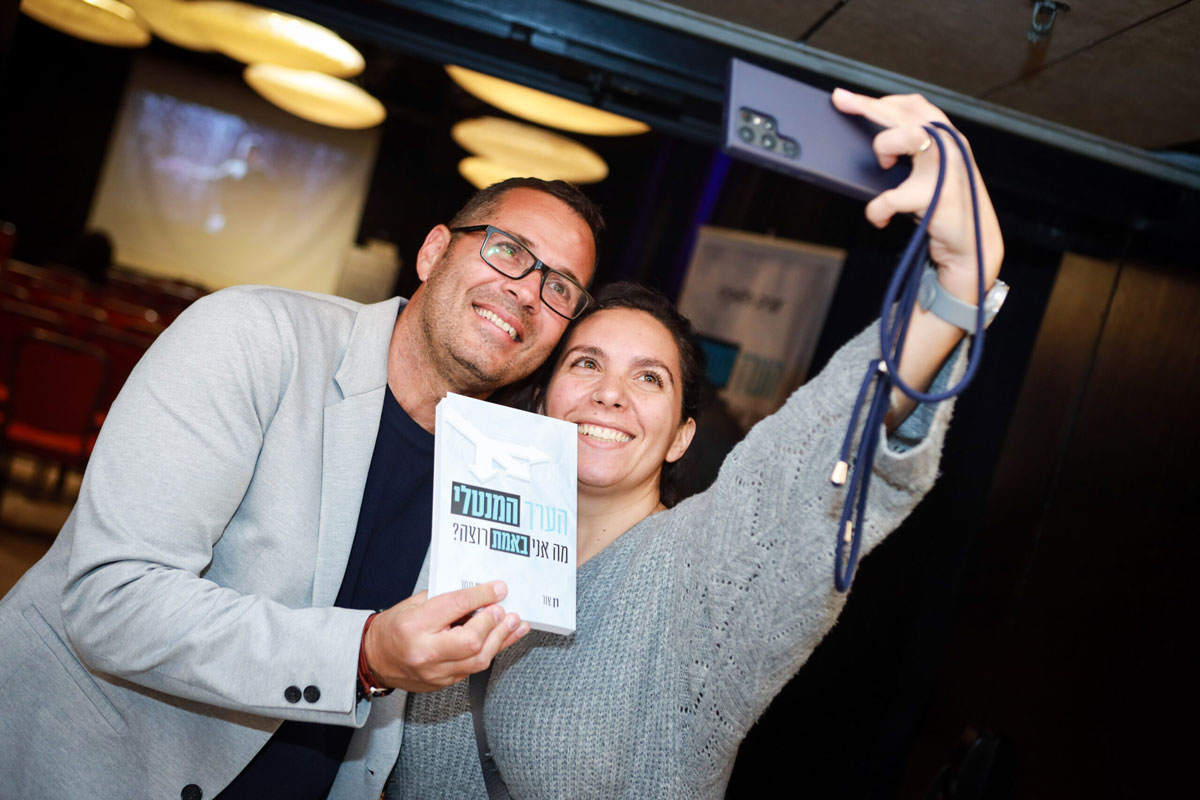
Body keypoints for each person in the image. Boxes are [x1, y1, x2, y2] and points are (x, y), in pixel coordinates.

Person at [390, 89, 1005, 797]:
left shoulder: (699, 571)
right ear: (544, 396)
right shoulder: (472, 525)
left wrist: (957, 286)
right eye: (585, 363)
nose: (610, 394)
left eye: (648, 378)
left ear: (682, 436)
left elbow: (800, 471)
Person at [0, 178, 602, 799]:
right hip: (84, 771)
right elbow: (113, 598)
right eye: (507, 250)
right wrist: (363, 655)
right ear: (432, 253)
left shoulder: (502, 466)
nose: (527, 291)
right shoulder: (252, 335)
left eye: (560, 287)